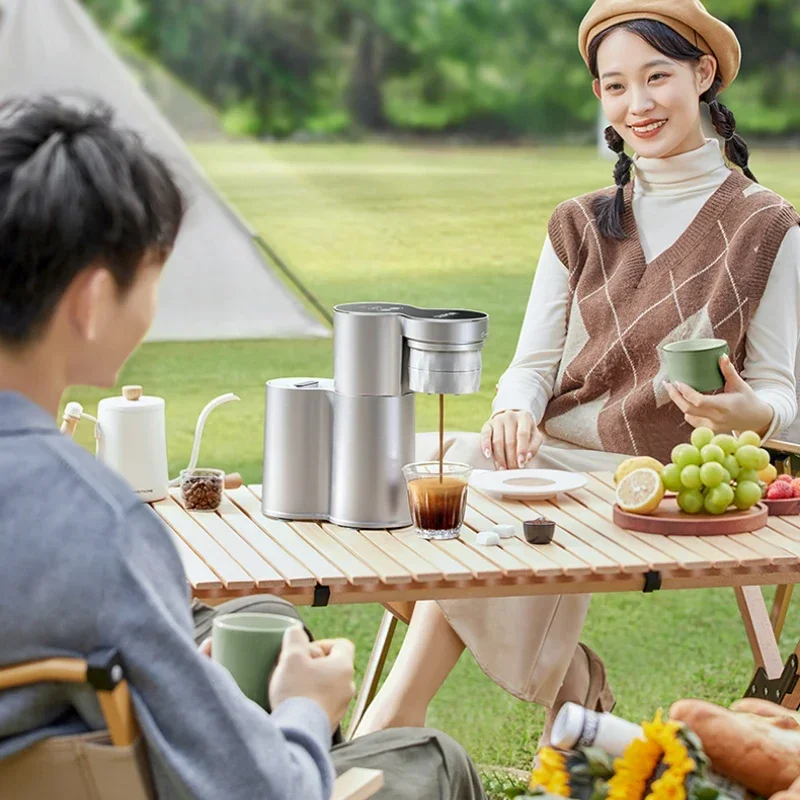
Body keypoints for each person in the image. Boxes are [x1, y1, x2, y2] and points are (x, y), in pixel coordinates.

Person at [0, 95, 487, 800]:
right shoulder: (102, 528)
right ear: (93, 299)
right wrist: (305, 711)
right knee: (431, 759)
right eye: (155, 271)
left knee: (261, 618)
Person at [356, 0, 800, 751]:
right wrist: (513, 411)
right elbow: (532, 365)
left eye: (657, 77)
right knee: (430, 471)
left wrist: (751, 416)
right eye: (617, 85)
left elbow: (786, 393)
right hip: (556, 457)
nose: (640, 103)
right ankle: (568, 689)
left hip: (662, 475)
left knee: (464, 508)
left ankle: (397, 719)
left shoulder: (766, 226)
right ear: (601, 96)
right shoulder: (579, 221)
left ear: (703, 75)